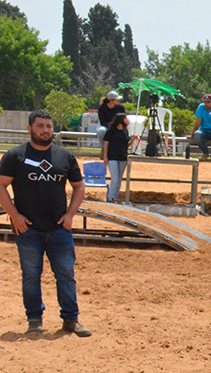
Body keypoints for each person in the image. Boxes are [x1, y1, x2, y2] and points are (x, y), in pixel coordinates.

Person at [0, 110, 92, 337]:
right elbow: (1, 185)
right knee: (31, 275)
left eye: (49, 126)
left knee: (66, 274)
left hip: (59, 228)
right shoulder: (15, 156)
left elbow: (79, 187)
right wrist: (14, 215)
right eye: (40, 126)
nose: (45, 130)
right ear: (29, 128)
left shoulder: (65, 156)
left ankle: (71, 320)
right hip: (28, 228)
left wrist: (70, 214)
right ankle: (34, 320)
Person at [100, 112, 131, 203]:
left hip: (122, 157)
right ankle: (110, 197)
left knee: (119, 179)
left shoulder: (125, 131)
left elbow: (126, 144)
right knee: (115, 179)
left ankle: (115, 197)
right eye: (125, 118)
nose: (126, 120)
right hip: (112, 157)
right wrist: (105, 157)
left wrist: (133, 141)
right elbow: (106, 144)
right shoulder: (111, 131)